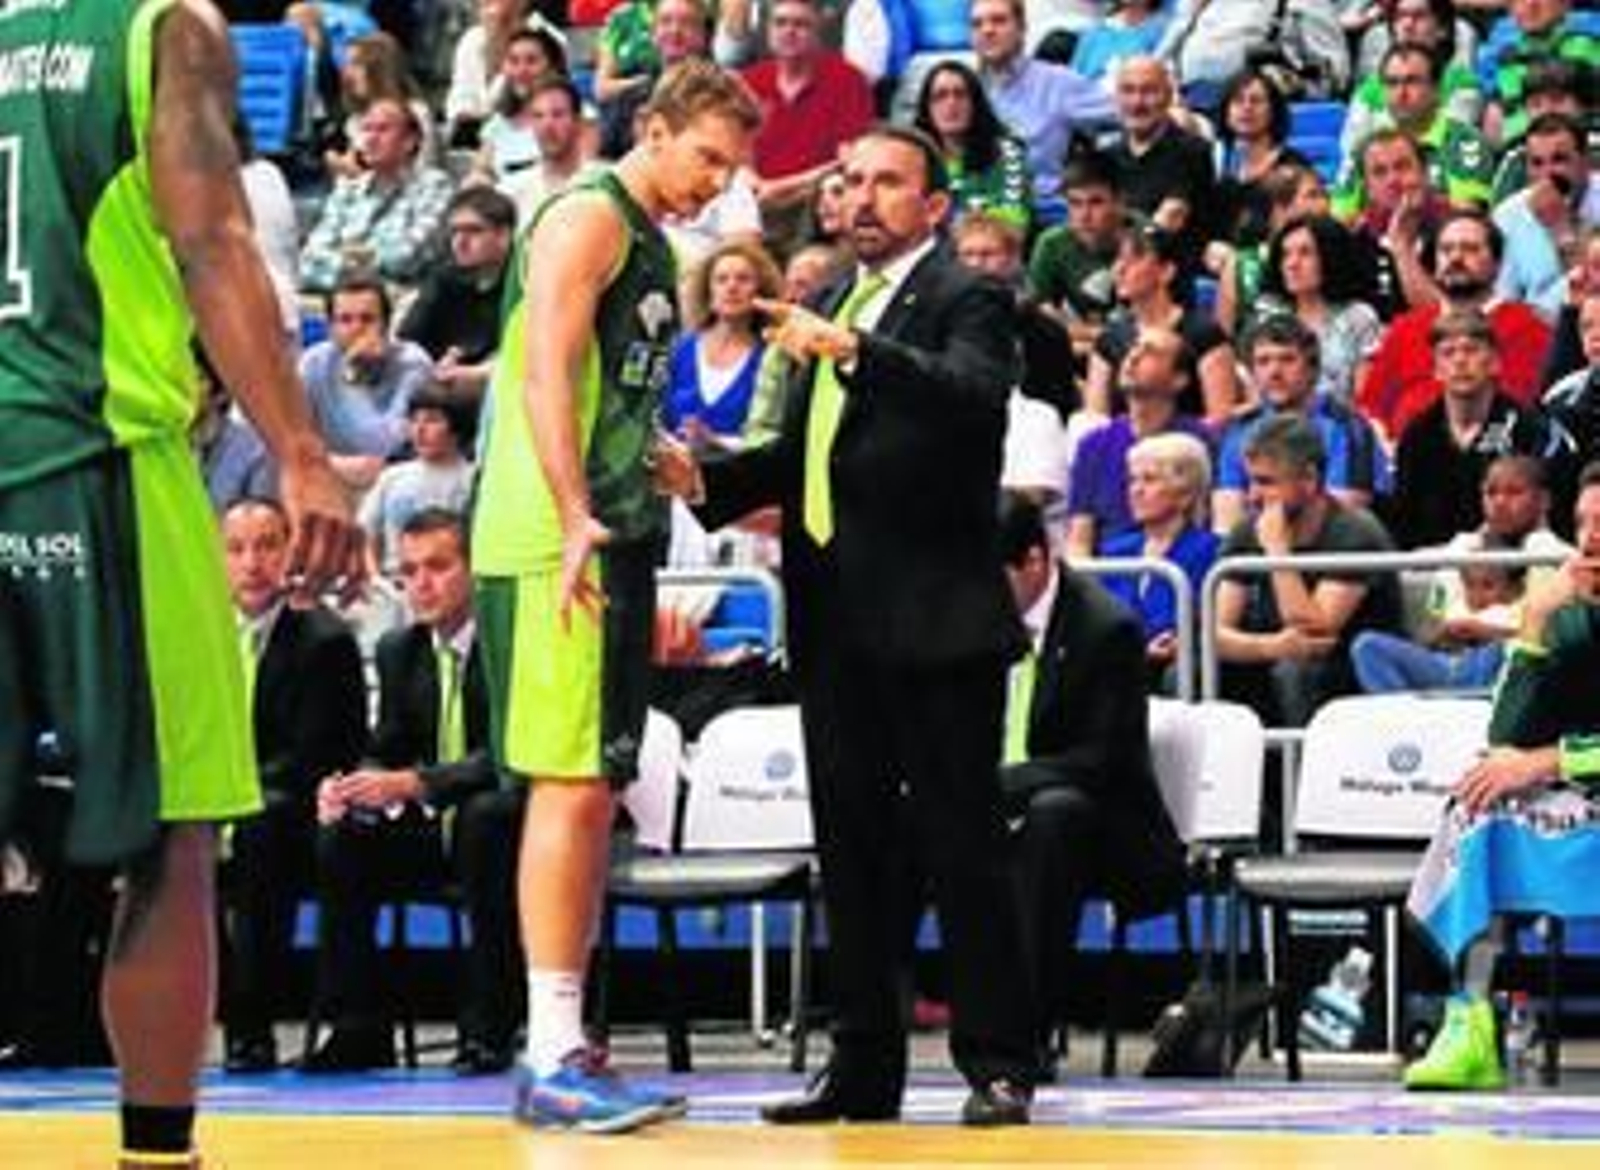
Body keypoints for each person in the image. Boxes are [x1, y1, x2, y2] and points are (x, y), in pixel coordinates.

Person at [0, 1, 365, 1164]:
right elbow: (213, 240)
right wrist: (302, 452)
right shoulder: (160, 27)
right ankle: (159, 1153)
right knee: (172, 837)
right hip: (96, 459)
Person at [680, 125, 1040, 1127]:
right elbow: (803, 455)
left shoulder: (964, 296)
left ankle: (1000, 1062)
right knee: (851, 849)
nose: (864, 198)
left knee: (964, 843)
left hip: (934, 621)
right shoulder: (834, 295)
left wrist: (858, 351)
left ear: (934, 206)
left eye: (889, 182)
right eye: (852, 181)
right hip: (835, 621)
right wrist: (701, 478)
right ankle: (863, 1065)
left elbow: (974, 402)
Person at [470, 59, 759, 1133]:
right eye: (706, 158)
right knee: (570, 785)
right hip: (561, 535)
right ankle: (548, 1052)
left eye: (730, 170)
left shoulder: (648, 240)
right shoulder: (585, 218)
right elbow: (545, 369)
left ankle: (565, 1038)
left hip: (608, 522)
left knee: (592, 787)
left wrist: (665, 461)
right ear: (655, 126)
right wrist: (573, 504)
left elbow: (606, 392)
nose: (715, 185)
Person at [1403, 461, 1600, 1091]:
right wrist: (1535, 630)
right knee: (1478, 802)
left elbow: (1534, 756)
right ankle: (1470, 1020)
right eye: (1582, 524)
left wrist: (1546, 762)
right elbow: (1502, 744)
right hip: (1588, 796)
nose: (1591, 541)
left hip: (1580, 776)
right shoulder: (1568, 612)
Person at [310, 509, 519, 1075]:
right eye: (408, 571)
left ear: (475, 572)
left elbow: (510, 754)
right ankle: (356, 1027)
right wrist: (351, 784)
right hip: (434, 828)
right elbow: (388, 743)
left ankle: (489, 1029)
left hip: (507, 823)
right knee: (344, 835)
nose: (421, 583)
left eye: (438, 567)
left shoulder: (510, 643)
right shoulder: (400, 649)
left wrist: (416, 783)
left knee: (485, 817)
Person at [998, 495, 1186, 1072]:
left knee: (1055, 816)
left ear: (1033, 561)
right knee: (896, 816)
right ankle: (873, 1032)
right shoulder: (967, 621)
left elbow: (1101, 760)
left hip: (1105, 827)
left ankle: (1023, 1036)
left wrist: (1001, 784)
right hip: (996, 807)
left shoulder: (1105, 628)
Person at [218, 498, 366, 1075]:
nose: (251, 562)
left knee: (261, 829)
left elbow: (315, 758)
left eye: (266, 546)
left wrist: (228, 797)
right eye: (236, 549)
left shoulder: (322, 640)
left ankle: (248, 1028)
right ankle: (68, 1025)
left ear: (291, 552)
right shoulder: (199, 635)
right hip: (215, 798)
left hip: (292, 808)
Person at [1214, 415, 1404, 728]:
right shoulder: (1248, 531)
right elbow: (1214, 633)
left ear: (1309, 479)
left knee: (1296, 671)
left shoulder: (1356, 531)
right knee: (1191, 669)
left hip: (1352, 671)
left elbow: (1314, 633)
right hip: (1275, 658)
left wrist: (1277, 552)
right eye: (1250, 482)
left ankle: (1301, 776)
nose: (1253, 496)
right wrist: (1268, 647)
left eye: (1266, 482)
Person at [912, 60, 1034, 233]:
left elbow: (1013, 226)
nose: (951, 103)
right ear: (927, 108)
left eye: (960, 94)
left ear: (976, 103)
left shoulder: (1008, 153)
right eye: (940, 96)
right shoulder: (913, 157)